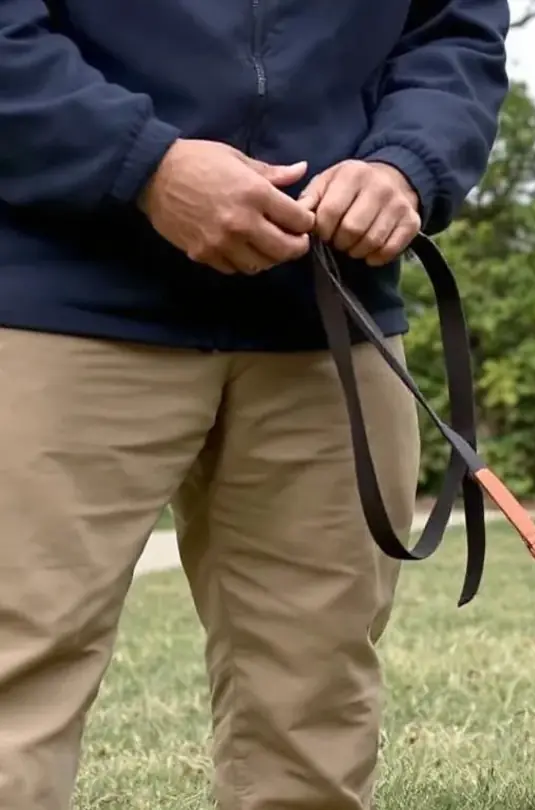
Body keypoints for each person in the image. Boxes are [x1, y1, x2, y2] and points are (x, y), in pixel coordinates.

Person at [0, 1, 509, 808]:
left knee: (315, 716)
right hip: (58, 301)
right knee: (12, 687)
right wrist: (143, 164)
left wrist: (405, 162)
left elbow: (453, 30)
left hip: (328, 315)